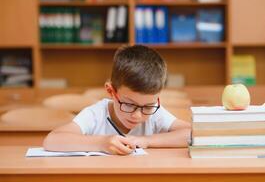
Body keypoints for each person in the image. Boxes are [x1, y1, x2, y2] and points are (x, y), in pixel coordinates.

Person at [43, 45, 191, 155]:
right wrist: (101, 143)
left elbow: (192, 133)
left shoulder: (154, 113)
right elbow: (52, 140)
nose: (138, 115)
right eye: (129, 104)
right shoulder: (95, 115)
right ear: (111, 92)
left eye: (148, 106)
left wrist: (147, 140)